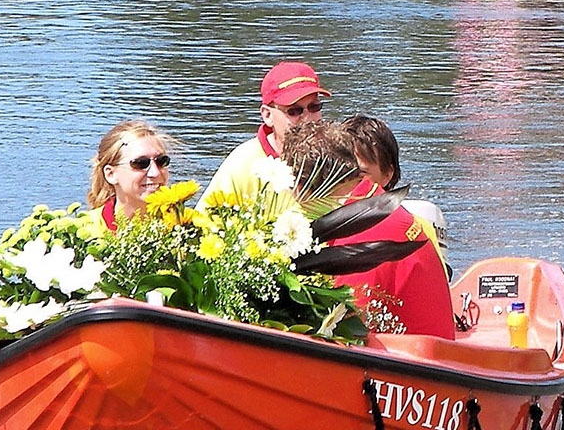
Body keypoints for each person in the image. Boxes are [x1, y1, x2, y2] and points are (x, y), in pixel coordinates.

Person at [280, 121, 455, 339]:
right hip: (427, 356)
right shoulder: (375, 205)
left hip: (410, 367)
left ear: (301, 188)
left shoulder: (357, 240)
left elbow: (341, 331)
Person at [199, 61, 329, 204]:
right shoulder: (242, 165)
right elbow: (203, 221)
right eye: (294, 111)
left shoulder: (339, 158)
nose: (307, 118)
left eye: (314, 107)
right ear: (267, 115)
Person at [341, 114, 452, 278]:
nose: (347, 182)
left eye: (360, 174)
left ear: (387, 174)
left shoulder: (418, 230)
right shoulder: (315, 221)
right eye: (342, 172)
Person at [88, 120, 176, 229]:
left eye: (161, 161)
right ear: (111, 174)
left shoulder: (189, 226)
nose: (155, 173)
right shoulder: (81, 232)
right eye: (140, 163)